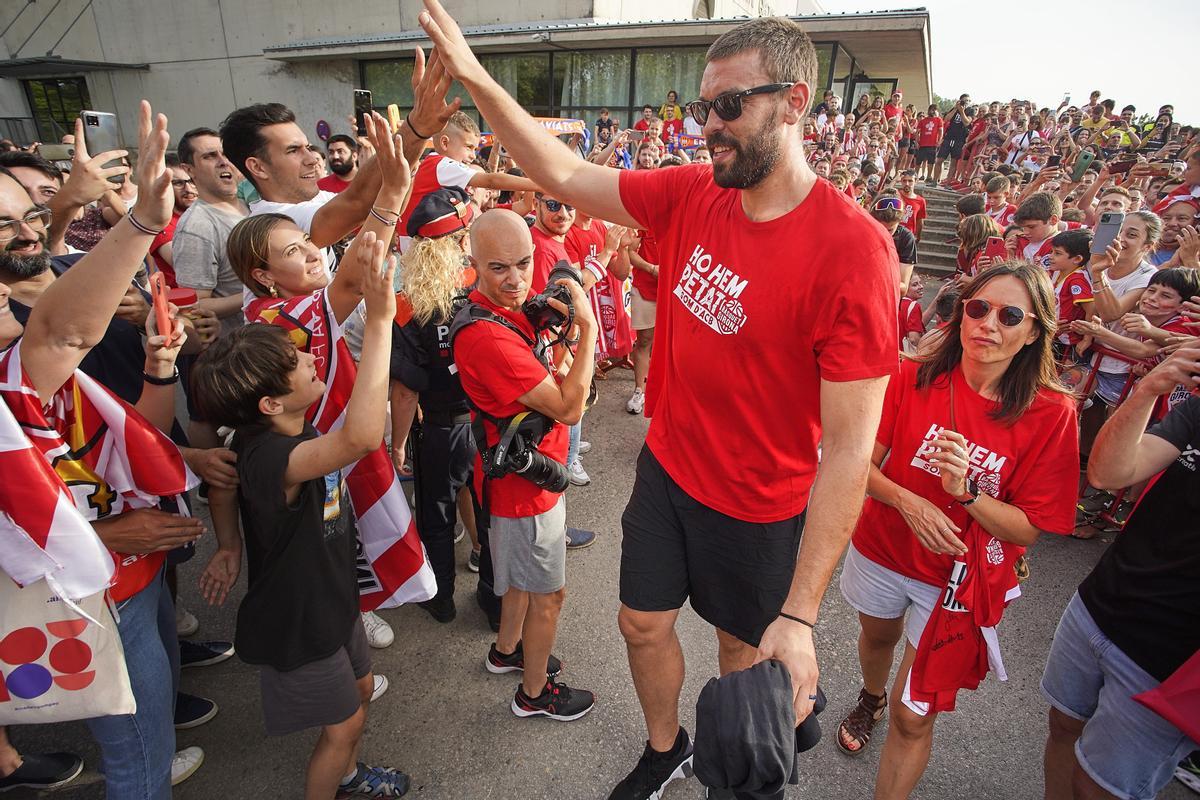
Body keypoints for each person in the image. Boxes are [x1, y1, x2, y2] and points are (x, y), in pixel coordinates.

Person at [414, 7, 899, 800]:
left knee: (740, 657)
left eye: (731, 106)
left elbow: (850, 448)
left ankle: (729, 771)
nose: (710, 126)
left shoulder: (853, 252)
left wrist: (804, 614)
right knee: (640, 624)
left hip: (757, 507)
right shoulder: (694, 192)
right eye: (704, 106)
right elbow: (565, 175)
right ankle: (666, 747)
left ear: (796, 101)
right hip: (669, 471)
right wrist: (474, 76)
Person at [0, 105, 209, 795]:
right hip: (81, 588)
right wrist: (143, 219)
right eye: (10, 226)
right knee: (137, 761)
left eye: (33, 216)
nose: (31, 235)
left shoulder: (29, 343)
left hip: (131, 572)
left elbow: (131, 436)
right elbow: (62, 335)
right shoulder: (33, 352)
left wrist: (157, 367)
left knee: (151, 730)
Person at [836, 262, 1078, 800]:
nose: (988, 323)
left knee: (914, 718)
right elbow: (860, 465)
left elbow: (1031, 527)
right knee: (877, 637)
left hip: (958, 585)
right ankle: (869, 695)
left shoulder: (1051, 413)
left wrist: (967, 492)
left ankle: (887, 714)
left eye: (1010, 314)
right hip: (881, 550)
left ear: (1035, 331)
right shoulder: (913, 375)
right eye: (978, 307)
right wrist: (909, 502)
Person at [191, 234, 410, 799]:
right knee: (343, 726)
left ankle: (350, 777)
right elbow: (362, 437)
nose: (313, 356)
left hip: (332, 600)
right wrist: (380, 322)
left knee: (360, 692)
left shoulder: (275, 431)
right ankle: (336, 779)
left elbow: (221, 480)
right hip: (298, 619)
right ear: (269, 402)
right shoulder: (275, 455)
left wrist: (228, 544)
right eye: (296, 363)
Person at [223, 111, 424, 654]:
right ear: (262, 276)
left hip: (321, 445)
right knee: (328, 538)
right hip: (311, 456)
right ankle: (344, 630)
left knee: (341, 533)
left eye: (308, 244)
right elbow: (357, 278)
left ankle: (351, 617)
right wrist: (395, 192)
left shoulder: (284, 303)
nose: (313, 254)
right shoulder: (277, 319)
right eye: (293, 252)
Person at [450, 209, 598, 720]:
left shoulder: (487, 312)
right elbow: (569, 408)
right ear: (473, 265)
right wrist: (588, 329)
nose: (516, 281)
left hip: (516, 474)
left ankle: (507, 650)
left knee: (516, 579)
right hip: (523, 488)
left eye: (524, 263)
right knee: (548, 594)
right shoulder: (488, 336)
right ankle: (534, 694)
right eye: (499, 269)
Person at [1042, 346, 1200, 800]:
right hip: (1099, 602)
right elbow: (1110, 472)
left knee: (1101, 787)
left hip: (1169, 656)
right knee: (1063, 723)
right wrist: (1149, 388)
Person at [389, 188, 480, 623]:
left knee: (438, 514)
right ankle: (496, 600)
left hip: (440, 428)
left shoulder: (407, 304)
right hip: (490, 423)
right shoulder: (485, 284)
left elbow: (405, 391)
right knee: (490, 510)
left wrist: (398, 444)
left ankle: (440, 598)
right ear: (461, 240)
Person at [148, 154, 198, 287]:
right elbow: (189, 268)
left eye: (192, 181)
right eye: (178, 183)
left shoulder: (208, 213)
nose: (188, 189)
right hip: (185, 303)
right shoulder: (161, 224)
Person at [914, 106, 943, 183]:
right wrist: (916, 142)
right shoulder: (923, 121)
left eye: (934, 110)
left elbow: (941, 131)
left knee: (931, 162)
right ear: (928, 110)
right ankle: (915, 176)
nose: (933, 111)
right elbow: (917, 132)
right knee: (918, 161)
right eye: (931, 109)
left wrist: (939, 141)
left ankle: (929, 176)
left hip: (933, 144)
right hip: (922, 144)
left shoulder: (938, 120)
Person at [895, 170, 926, 240]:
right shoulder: (896, 195)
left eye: (910, 181)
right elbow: (882, 194)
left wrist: (918, 236)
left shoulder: (921, 201)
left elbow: (919, 220)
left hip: (908, 236)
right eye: (904, 181)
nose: (907, 183)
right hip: (894, 233)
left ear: (916, 181)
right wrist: (895, 180)